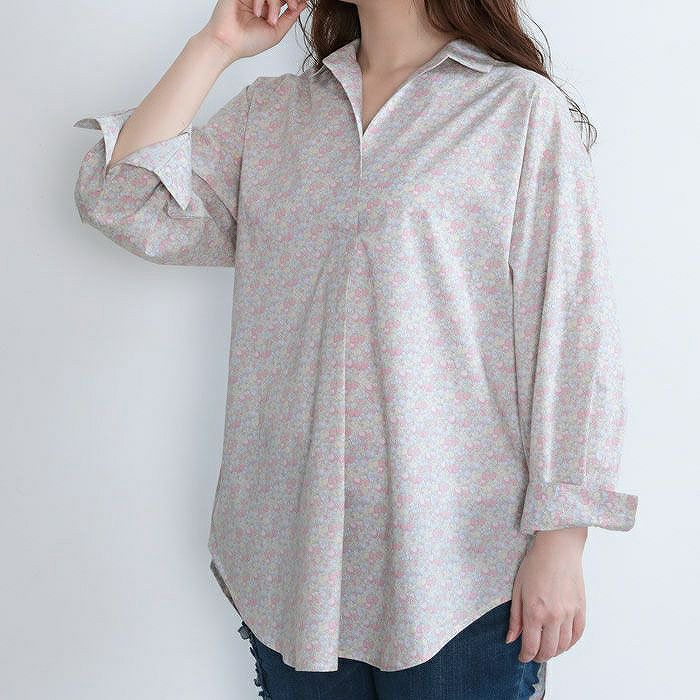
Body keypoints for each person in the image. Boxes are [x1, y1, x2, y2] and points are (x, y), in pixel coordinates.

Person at [72, 1, 639, 698]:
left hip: (461, 566)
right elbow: (123, 201)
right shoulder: (274, 115)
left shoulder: (517, 110)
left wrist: (563, 536)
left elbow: (572, 328)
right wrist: (216, 44)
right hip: (294, 561)